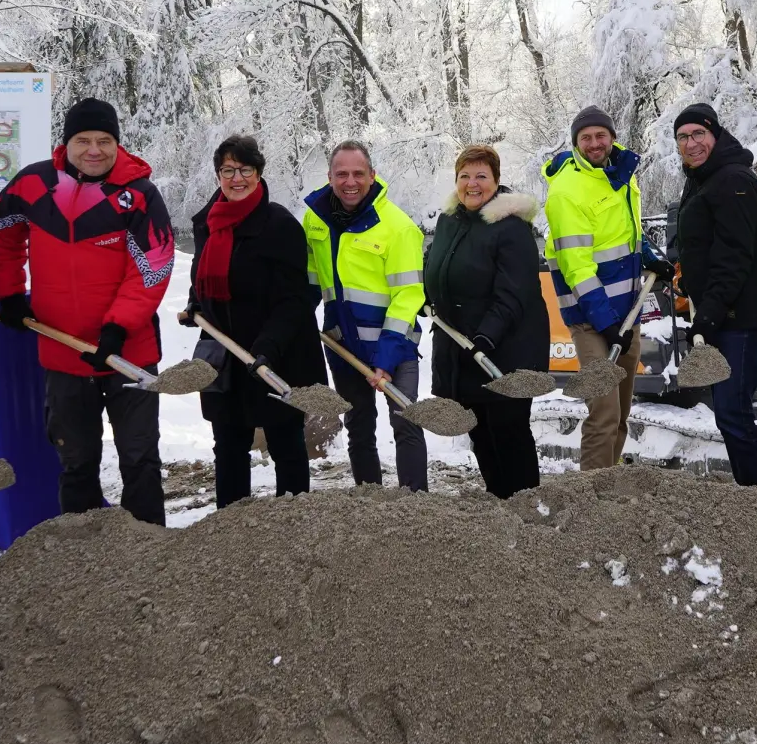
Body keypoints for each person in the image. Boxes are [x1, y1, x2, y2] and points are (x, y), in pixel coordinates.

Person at [0, 97, 174, 525]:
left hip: (127, 354)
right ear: (66, 143)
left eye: (104, 140)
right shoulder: (34, 184)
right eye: (83, 140)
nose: (94, 150)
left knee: (139, 459)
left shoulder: (138, 195)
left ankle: (151, 549)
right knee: (76, 461)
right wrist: (8, 293)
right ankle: (80, 552)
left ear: (117, 144)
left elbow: (153, 264)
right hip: (63, 352)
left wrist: (118, 327)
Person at [181, 135, 325, 508]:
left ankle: (292, 520)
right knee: (229, 445)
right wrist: (196, 303)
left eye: (245, 169)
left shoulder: (279, 225)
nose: (236, 178)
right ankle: (232, 526)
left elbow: (295, 299)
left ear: (259, 173)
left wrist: (268, 347)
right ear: (218, 175)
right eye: (228, 170)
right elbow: (203, 275)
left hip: (276, 353)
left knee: (285, 441)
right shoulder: (208, 222)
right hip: (224, 355)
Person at [542, 106, 673, 470]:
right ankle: (591, 494)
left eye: (601, 135)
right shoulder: (567, 191)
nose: (594, 143)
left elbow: (626, 233)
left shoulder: (621, 176)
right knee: (604, 412)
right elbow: (577, 267)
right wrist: (606, 323)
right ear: (576, 144)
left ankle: (609, 485)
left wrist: (649, 255)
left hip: (627, 314)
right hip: (591, 320)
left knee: (621, 413)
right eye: (585, 138)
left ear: (613, 137)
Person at [423, 145, 550, 498]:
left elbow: (515, 292)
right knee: (479, 431)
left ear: (496, 180)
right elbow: (435, 267)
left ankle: (526, 504)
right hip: (464, 350)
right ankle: (499, 501)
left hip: (506, 351)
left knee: (508, 431)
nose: (472, 184)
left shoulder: (511, 227)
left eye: (481, 176)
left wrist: (486, 338)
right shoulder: (449, 221)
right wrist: (427, 296)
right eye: (465, 176)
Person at [304, 141, 428, 491]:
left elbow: (408, 297)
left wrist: (386, 358)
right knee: (358, 425)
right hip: (343, 346)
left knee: (406, 422)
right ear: (329, 177)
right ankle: (370, 499)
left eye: (358, 173)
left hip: (396, 346)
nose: (350, 182)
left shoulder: (398, 227)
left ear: (372, 175)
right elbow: (309, 281)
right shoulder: (315, 220)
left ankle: (417, 504)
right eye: (341, 174)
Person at [671, 103, 757, 487]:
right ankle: (754, 492)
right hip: (723, 314)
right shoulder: (704, 178)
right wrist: (686, 277)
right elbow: (703, 242)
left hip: (739, 318)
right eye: (683, 137)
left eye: (698, 134)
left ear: (715, 135)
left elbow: (734, 257)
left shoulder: (733, 181)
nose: (691, 143)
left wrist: (708, 314)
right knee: (729, 412)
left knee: (733, 411)